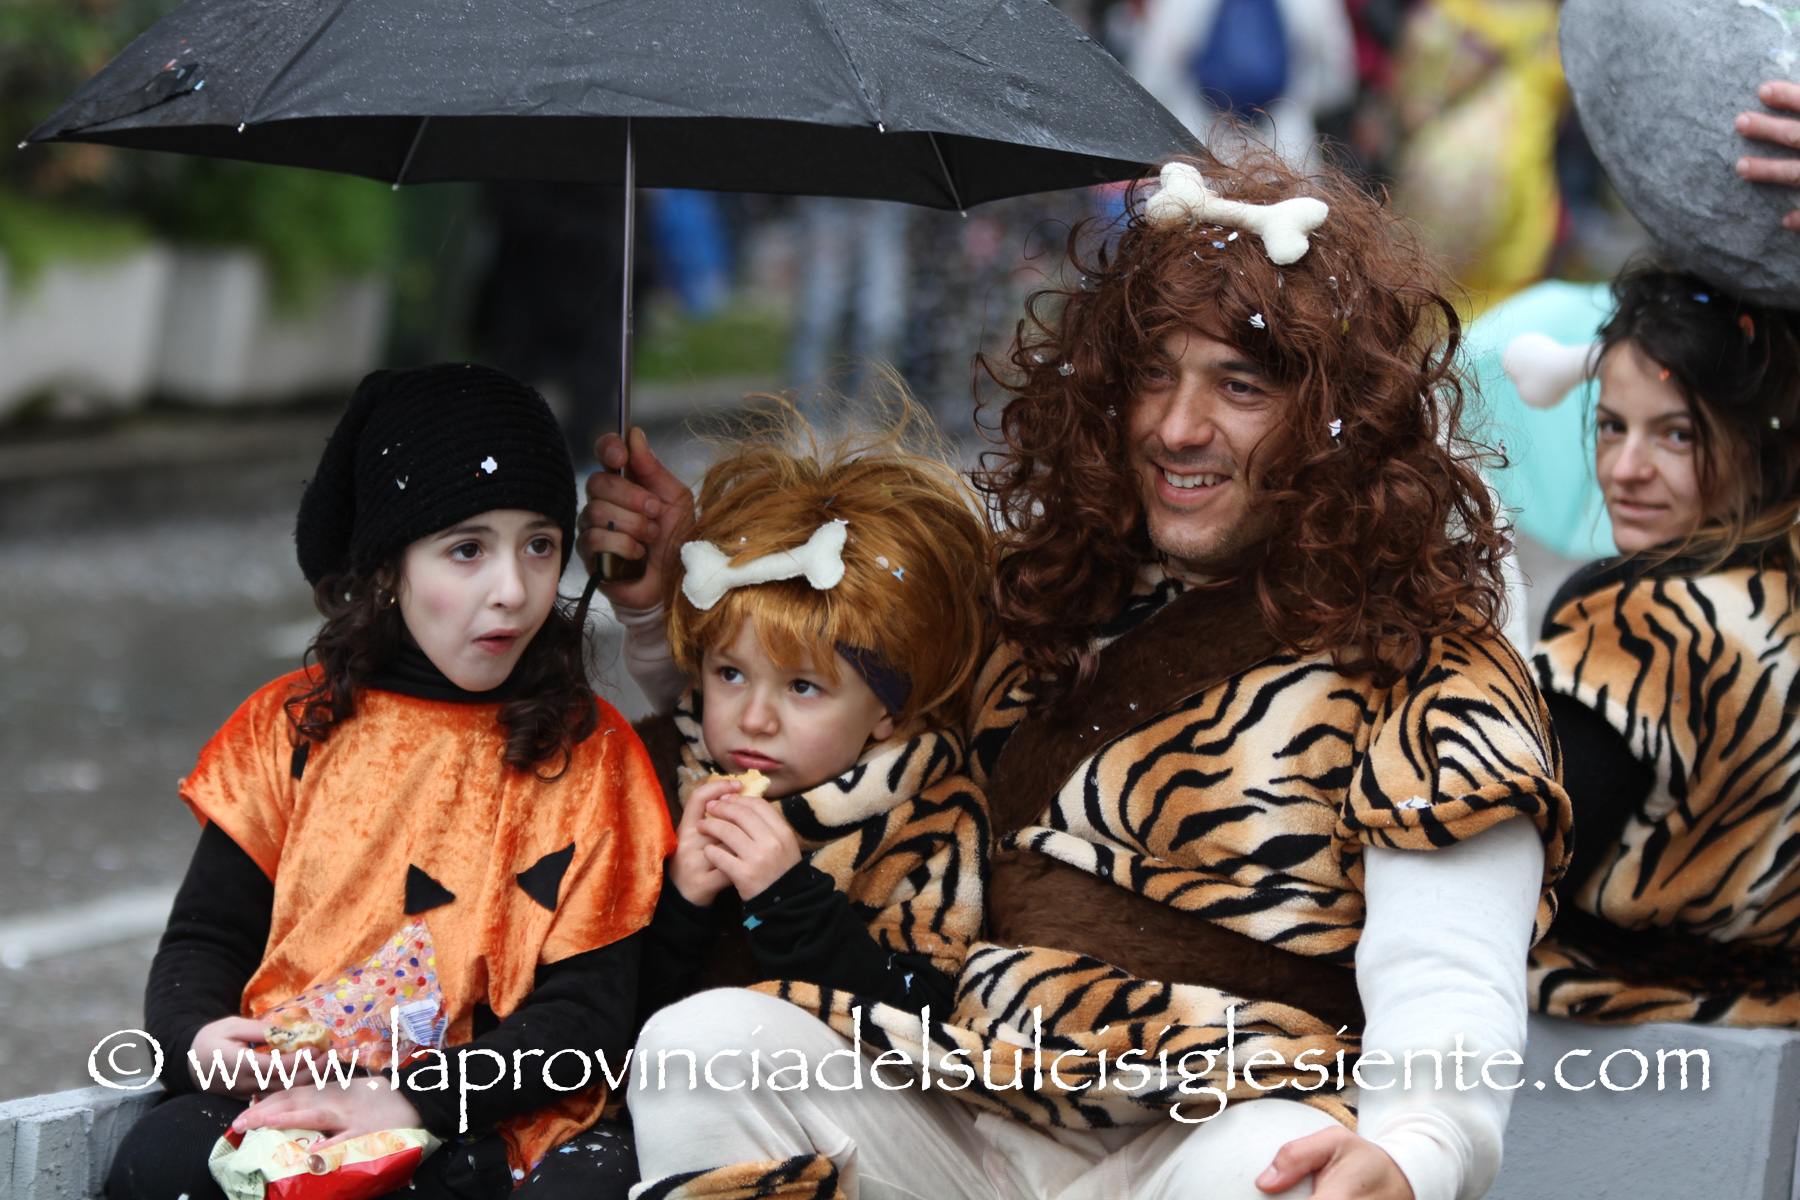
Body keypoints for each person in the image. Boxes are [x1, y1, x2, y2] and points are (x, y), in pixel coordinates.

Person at [583, 150, 1571, 1200]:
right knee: (701, 1048)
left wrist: (1419, 1147)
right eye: (1154, 375)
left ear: (1342, 420)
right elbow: (807, 732)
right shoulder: (1047, 589)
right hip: (962, 1095)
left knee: (1271, 1173)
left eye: (1239, 385)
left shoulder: (1430, 661)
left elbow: (1447, 976)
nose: (1177, 428)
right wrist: (656, 605)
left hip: (1213, 1130)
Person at [105, 365, 675, 1200]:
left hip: (493, 1119)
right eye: (467, 549)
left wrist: (409, 1099)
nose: (513, 590)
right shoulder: (290, 727)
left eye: (540, 545)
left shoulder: (595, 756)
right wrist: (194, 1040)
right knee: (159, 1161)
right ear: (385, 568)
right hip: (294, 1097)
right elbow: (205, 938)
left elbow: (586, 1019)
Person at [593, 409, 992, 1020]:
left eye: (803, 687)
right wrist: (682, 904)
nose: (754, 719)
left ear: (890, 710)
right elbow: (599, 1025)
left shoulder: (930, 825)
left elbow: (924, 1022)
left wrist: (786, 901)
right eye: (730, 674)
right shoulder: (656, 779)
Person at [1526, 265, 1800, 1027]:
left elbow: (1520, 869)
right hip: (1765, 1024)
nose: (1624, 470)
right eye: (1612, 426)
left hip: (1615, 1039)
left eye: (1677, 434)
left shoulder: (1640, 617)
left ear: (1760, 439)